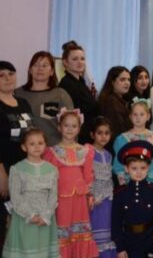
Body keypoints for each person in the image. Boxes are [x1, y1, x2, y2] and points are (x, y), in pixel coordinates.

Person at [0, 60, 35, 258]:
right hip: (1, 172)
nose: (7, 78)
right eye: (1, 75)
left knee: (22, 221)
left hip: (24, 171)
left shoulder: (23, 103)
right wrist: (1, 175)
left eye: (11, 73)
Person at [43, 109, 99, 257]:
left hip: (80, 198)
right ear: (59, 127)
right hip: (61, 199)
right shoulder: (52, 152)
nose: (70, 129)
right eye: (66, 125)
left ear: (79, 129)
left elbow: (88, 175)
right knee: (63, 230)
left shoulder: (85, 150)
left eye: (74, 126)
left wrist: (90, 195)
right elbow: (49, 178)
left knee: (80, 230)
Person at [2, 129, 59, 258]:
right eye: (32, 144)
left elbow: (53, 195)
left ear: (45, 145)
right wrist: (30, 215)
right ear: (24, 147)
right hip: (24, 218)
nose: (37, 146)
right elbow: (15, 196)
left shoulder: (52, 169)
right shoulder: (17, 169)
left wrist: (46, 215)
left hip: (45, 218)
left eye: (40, 143)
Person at [111, 140, 153, 257]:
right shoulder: (120, 193)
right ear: (126, 169)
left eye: (143, 168)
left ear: (148, 168)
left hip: (151, 235)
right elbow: (116, 223)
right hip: (130, 239)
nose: (139, 172)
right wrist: (120, 248)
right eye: (134, 168)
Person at [15, 51, 74, 146]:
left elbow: (72, 126)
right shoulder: (17, 94)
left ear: (52, 71)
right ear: (30, 70)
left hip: (54, 149)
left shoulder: (60, 95)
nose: (40, 68)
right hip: (25, 150)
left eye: (44, 65)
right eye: (36, 65)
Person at [112, 98, 153, 184]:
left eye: (142, 114)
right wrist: (123, 186)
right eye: (135, 114)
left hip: (151, 182)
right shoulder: (122, 139)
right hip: (130, 183)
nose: (138, 117)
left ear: (148, 116)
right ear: (130, 116)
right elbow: (119, 165)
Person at [57, 41, 99, 144]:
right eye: (75, 59)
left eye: (82, 59)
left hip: (87, 134)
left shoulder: (81, 82)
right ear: (65, 62)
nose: (80, 62)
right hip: (77, 136)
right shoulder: (66, 84)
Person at [89, 118, 116, 258]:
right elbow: (85, 178)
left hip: (107, 201)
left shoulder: (109, 155)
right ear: (92, 134)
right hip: (93, 202)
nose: (103, 136)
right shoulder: (87, 152)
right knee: (94, 234)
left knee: (107, 234)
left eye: (107, 133)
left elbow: (109, 179)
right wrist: (91, 196)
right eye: (99, 133)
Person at [97, 66, 132, 143]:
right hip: (118, 144)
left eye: (129, 80)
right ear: (112, 82)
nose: (127, 83)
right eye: (122, 79)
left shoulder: (119, 100)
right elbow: (118, 130)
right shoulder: (111, 101)